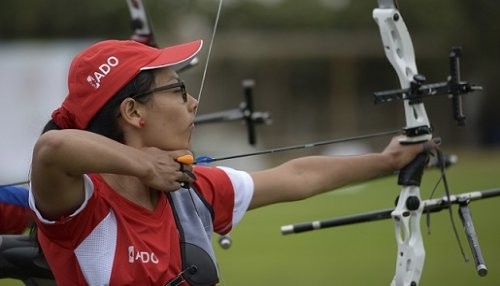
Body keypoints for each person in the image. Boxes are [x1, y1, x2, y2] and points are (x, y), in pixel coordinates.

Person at [28, 38, 438, 285]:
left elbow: (296, 176)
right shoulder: (81, 206)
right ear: (134, 113)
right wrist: (144, 167)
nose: (193, 102)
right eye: (178, 89)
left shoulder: (191, 190)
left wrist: (388, 161)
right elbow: (53, 149)